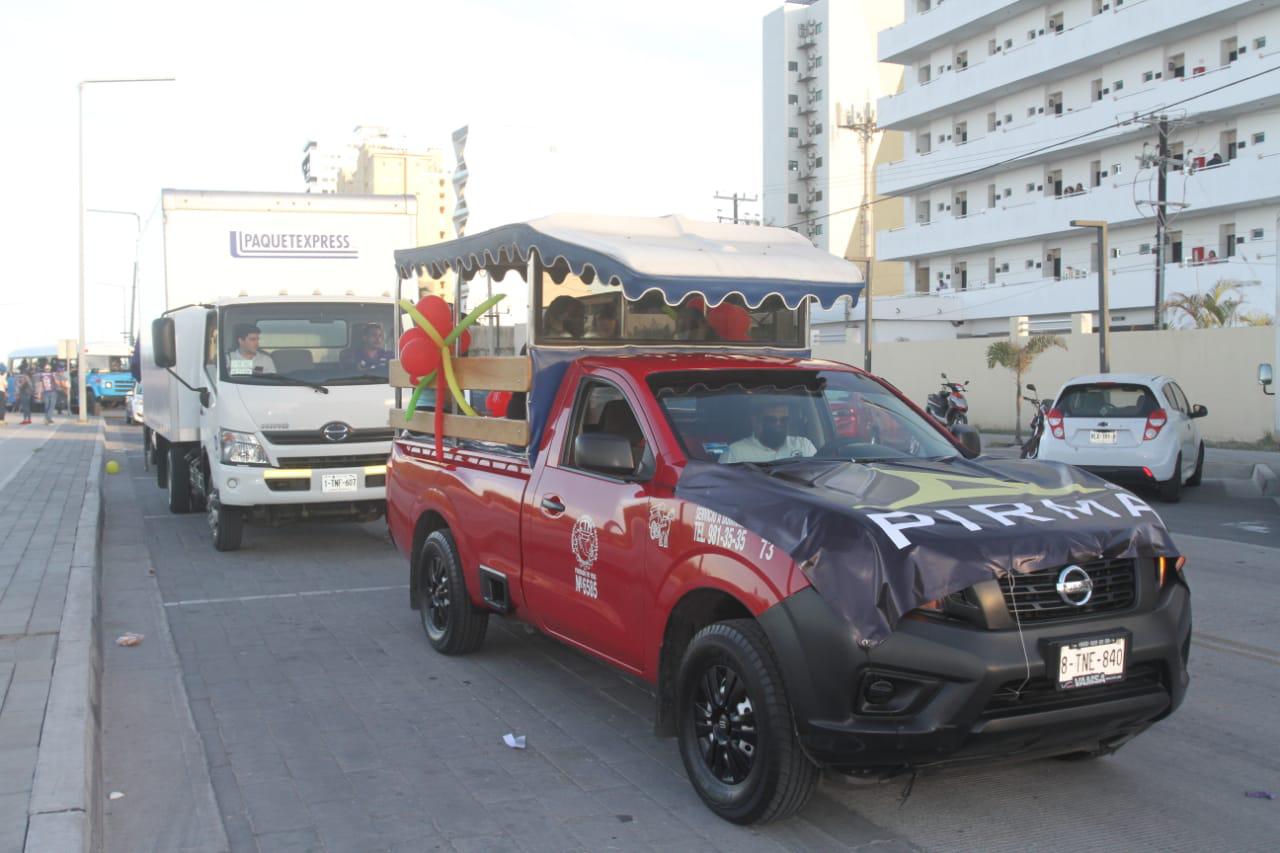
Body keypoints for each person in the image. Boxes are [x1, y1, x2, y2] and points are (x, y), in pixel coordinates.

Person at [719, 397, 817, 464]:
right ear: (755, 421)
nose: (778, 424)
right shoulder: (735, 453)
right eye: (771, 420)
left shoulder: (803, 446)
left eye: (784, 420)